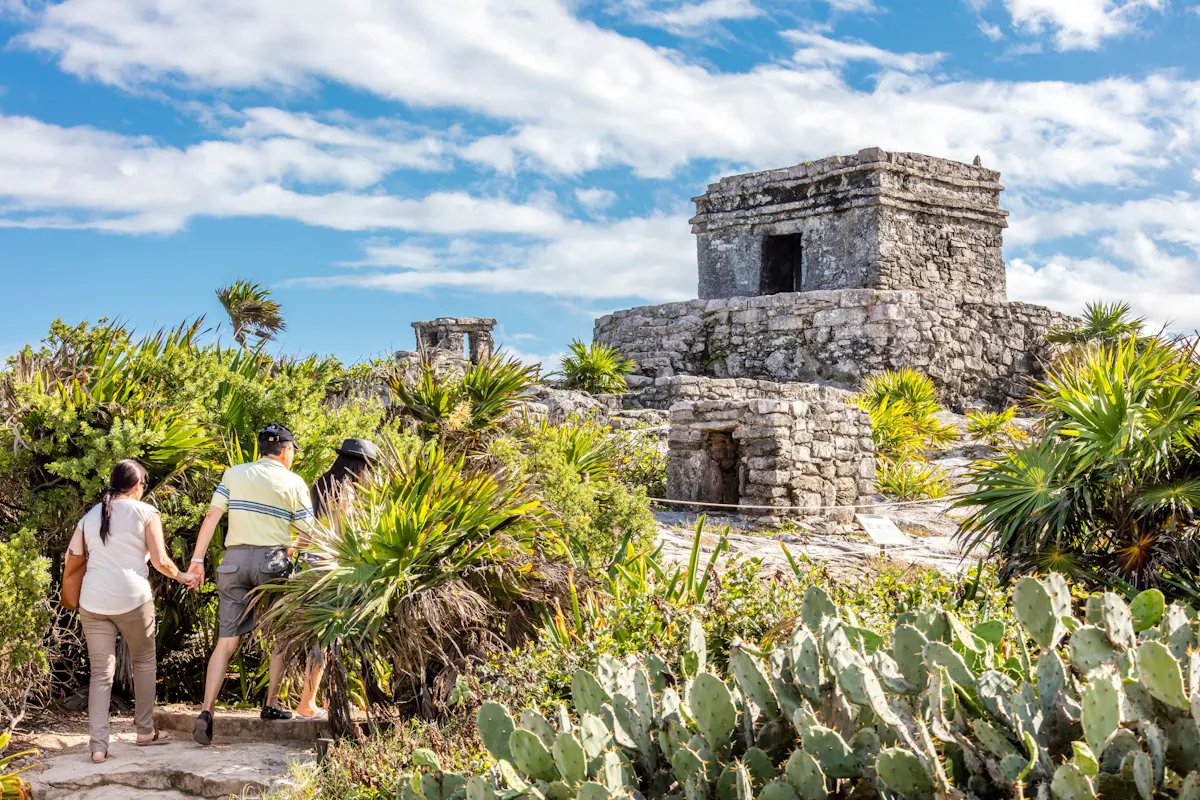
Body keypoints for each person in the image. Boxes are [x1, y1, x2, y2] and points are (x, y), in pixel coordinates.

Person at [186, 423, 321, 745]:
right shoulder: (294, 482)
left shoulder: (235, 473)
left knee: (226, 641)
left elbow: (211, 517)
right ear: (287, 451)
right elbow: (308, 532)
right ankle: (271, 704)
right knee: (279, 635)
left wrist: (197, 560)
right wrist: (287, 551)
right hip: (271, 562)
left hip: (232, 561)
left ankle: (206, 711)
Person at [66, 459, 200, 763]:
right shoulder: (146, 512)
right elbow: (161, 562)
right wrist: (183, 576)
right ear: (138, 485)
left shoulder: (90, 516)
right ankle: (144, 730)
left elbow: (72, 557)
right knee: (144, 660)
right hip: (132, 599)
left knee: (101, 674)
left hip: (93, 601)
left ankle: (98, 747)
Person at [290, 438, 381, 721]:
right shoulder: (345, 493)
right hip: (333, 570)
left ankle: (324, 699)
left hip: (312, 566)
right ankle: (308, 702)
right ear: (360, 467)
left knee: (325, 638)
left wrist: (293, 552)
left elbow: (308, 531)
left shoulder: (319, 485)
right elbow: (345, 535)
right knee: (327, 638)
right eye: (371, 469)